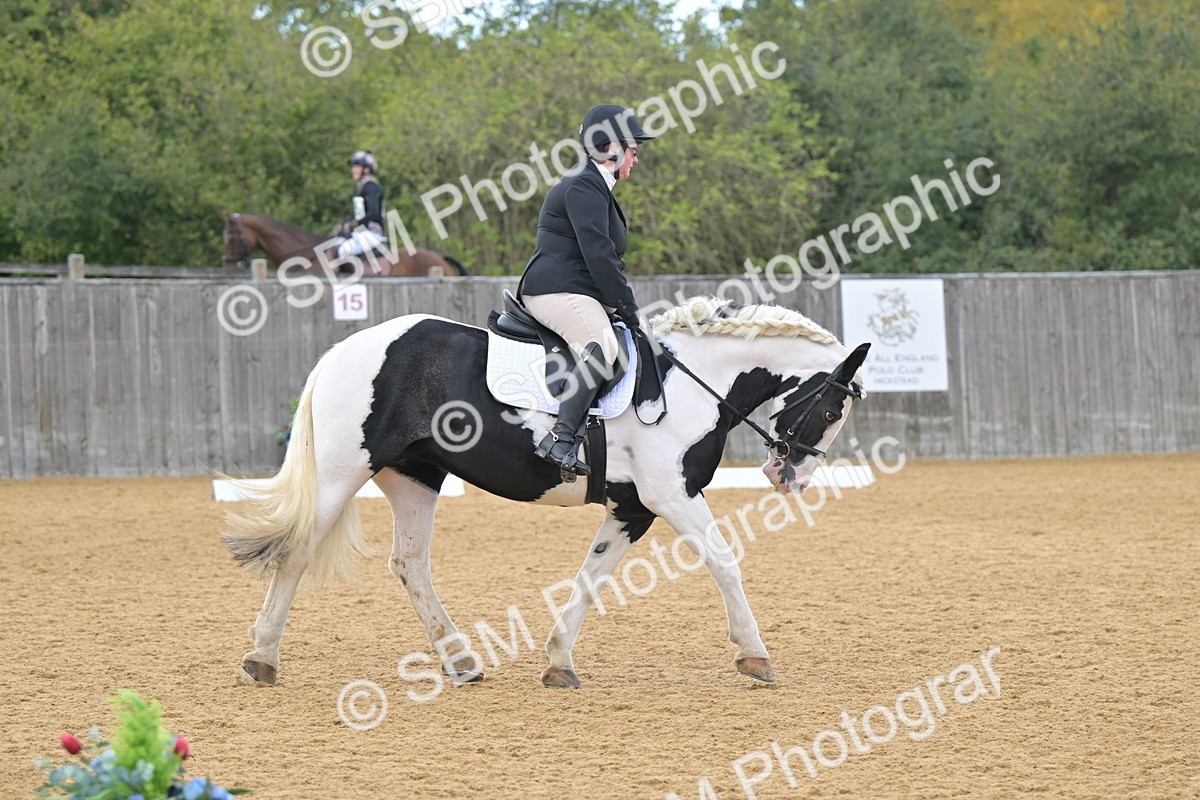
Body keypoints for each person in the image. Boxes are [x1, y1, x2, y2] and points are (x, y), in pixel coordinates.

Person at [518, 104, 656, 478]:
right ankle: (561, 439)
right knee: (604, 346)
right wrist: (627, 307)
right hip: (554, 289)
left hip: (573, 289)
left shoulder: (596, 186)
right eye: (633, 149)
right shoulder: (584, 184)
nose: (636, 159)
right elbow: (599, 254)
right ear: (609, 146)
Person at [336, 150, 387, 259]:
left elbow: (374, 212)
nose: (353, 170)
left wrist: (354, 223)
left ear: (367, 169)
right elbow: (360, 215)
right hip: (361, 232)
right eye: (353, 166)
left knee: (342, 251)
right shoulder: (362, 187)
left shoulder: (371, 186)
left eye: (357, 166)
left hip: (371, 233)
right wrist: (346, 223)